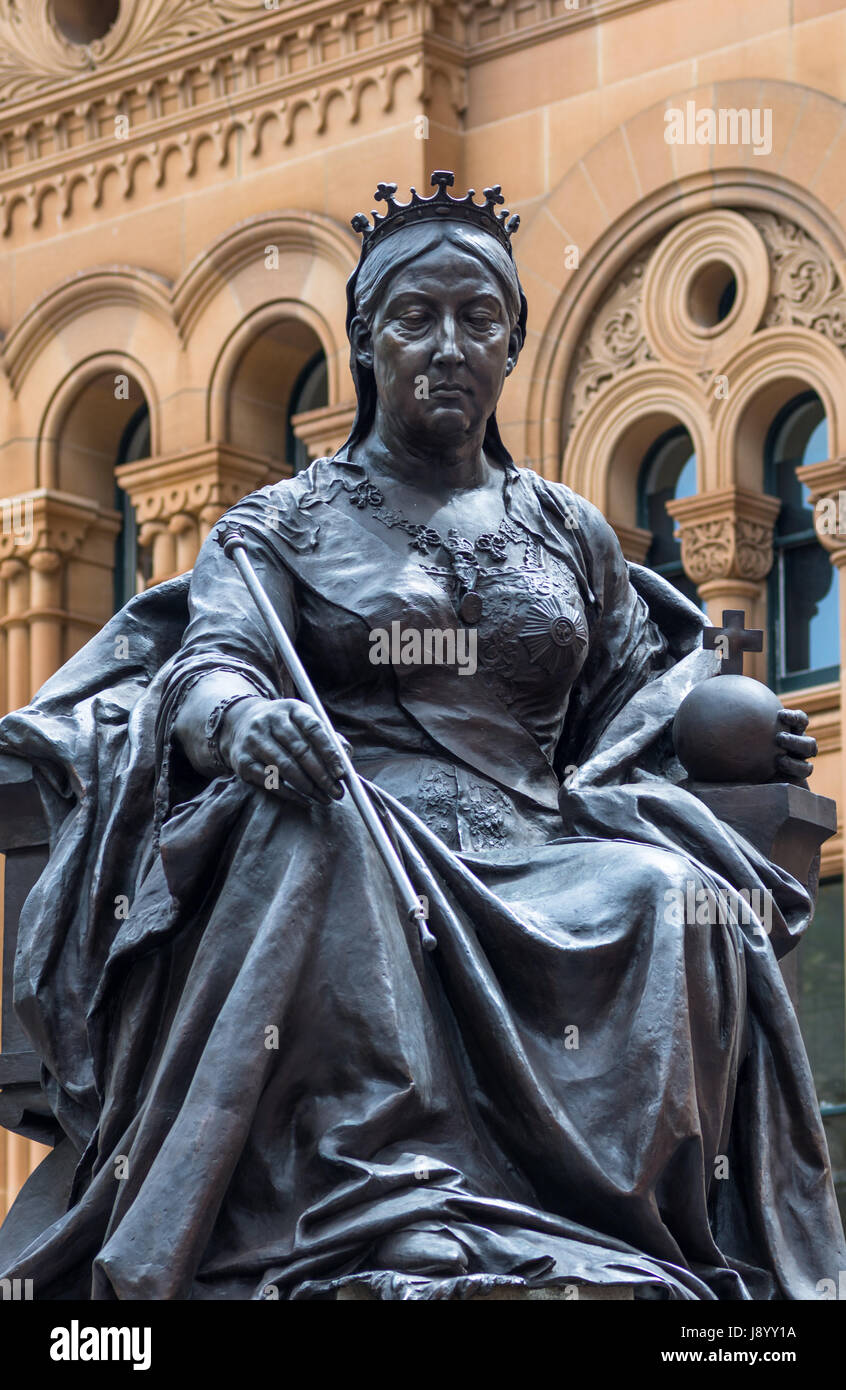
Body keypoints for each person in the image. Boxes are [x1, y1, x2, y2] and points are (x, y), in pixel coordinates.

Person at [0, 172, 843, 1301]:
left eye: (478, 321)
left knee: (658, 894)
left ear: (511, 345)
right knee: (321, 834)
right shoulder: (284, 522)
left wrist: (727, 726)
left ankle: (621, 1238)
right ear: (365, 345)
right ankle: (380, 1196)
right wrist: (249, 723)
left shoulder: (565, 529)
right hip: (350, 804)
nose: (449, 347)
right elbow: (210, 664)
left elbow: (637, 691)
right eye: (416, 319)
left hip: (538, 833)